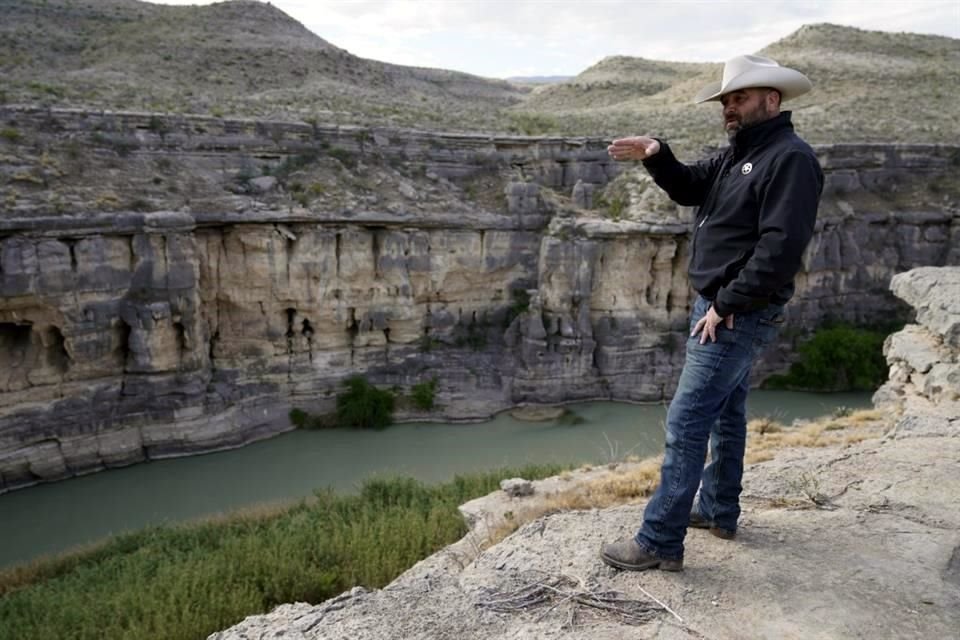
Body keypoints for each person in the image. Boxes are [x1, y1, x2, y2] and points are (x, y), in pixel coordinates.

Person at [600, 54, 824, 572]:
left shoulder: (789, 158)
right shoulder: (738, 154)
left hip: (735, 313)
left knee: (687, 419)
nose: (729, 106)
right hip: (721, 308)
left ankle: (658, 542)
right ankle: (719, 510)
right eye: (726, 99)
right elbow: (688, 187)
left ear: (773, 98)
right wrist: (658, 154)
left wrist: (725, 304)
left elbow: (780, 249)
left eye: (739, 97)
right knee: (726, 414)